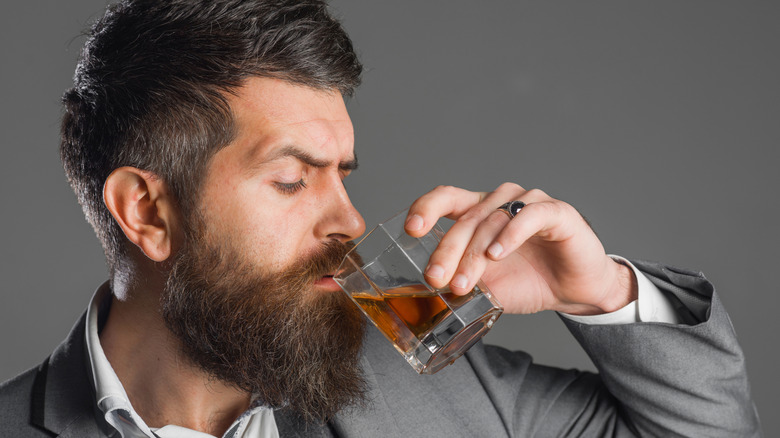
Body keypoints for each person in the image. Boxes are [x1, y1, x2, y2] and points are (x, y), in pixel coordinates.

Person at [0, 0, 761, 436]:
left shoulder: (445, 392)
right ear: (147, 211)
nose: (351, 223)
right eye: (293, 180)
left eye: (343, 176)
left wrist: (600, 296)